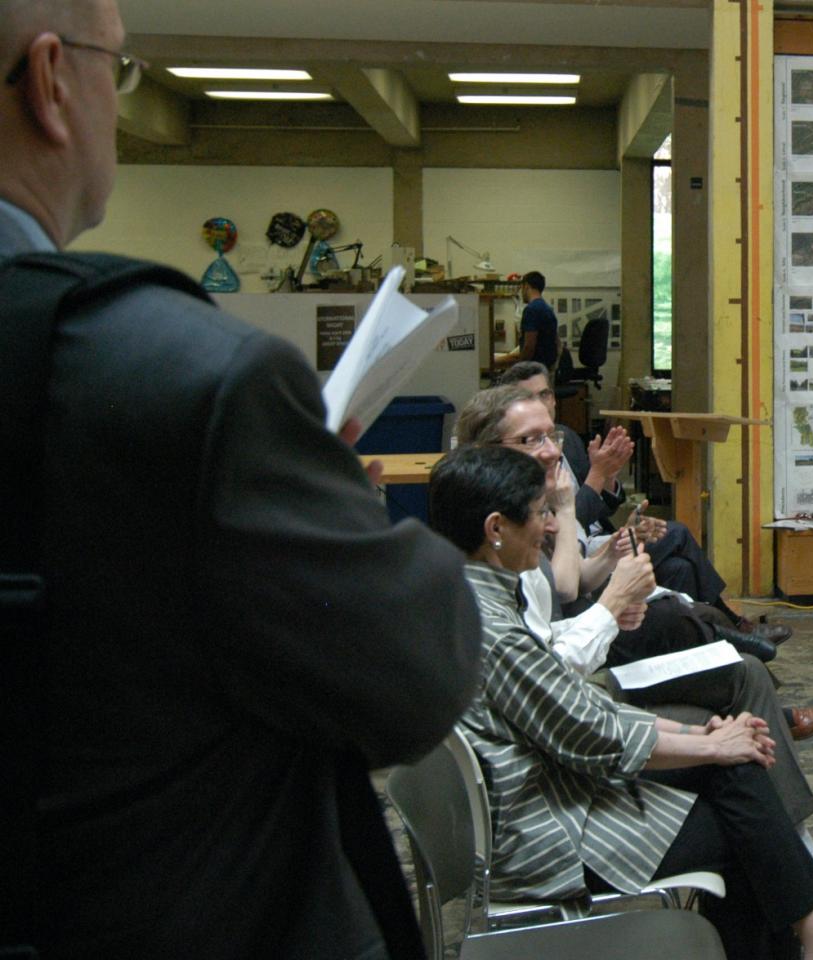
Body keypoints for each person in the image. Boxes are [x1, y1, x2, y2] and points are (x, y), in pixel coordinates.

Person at [0, 1, 483, 956]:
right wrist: (327, 493)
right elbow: (421, 670)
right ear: (52, 80)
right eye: (118, 67)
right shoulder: (191, 380)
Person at [428, 444, 813, 960]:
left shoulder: (467, 596)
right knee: (744, 823)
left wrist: (700, 738)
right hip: (547, 833)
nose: (551, 528)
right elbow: (585, 732)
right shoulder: (492, 628)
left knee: (733, 768)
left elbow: (570, 705)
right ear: (495, 528)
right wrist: (709, 746)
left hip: (550, 792)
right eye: (540, 514)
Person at [495, 360, 795, 645]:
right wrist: (596, 479)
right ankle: (736, 629)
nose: (541, 404)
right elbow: (567, 526)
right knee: (676, 534)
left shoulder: (566, 439)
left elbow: (604, 505)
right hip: (578, 554)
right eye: (529, 398)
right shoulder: (518, 470)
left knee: (680, 569)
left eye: (545, 394)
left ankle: (726, 646)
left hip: (594, 545)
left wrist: (608, 478)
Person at [517, 270, 561, 368]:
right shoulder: (548, 309)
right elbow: (557, 342)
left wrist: (519, 367)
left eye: (521, 288)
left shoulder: (531, 310)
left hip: (534, 369)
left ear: (526, 286)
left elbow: (529, 346)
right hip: (546, 367)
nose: (521, 293)